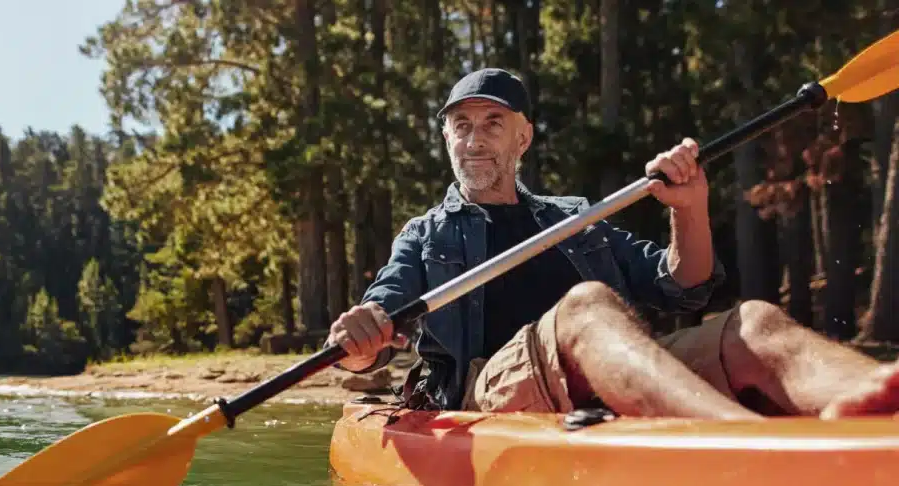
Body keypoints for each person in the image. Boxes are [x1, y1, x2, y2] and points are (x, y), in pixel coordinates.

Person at [327, 67, 899, 420]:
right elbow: (378, 328)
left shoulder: (577, 219)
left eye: (492, 124)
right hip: (490, 392)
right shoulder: (425, 235)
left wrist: (691, 207)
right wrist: (361, 337)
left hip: (601, 377)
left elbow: (685, 285)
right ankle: (739, 444)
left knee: (753, 322)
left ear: (523, 138)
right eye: (461, 126)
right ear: (447, 138)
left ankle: (875, 401)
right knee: (587, 307)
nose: (474, 139)